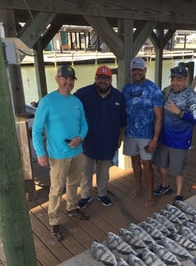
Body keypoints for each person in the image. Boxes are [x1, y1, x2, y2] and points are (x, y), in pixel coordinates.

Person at [32, 65, 89, 241]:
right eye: (65, 78)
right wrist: (40, 153)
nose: (68, 82)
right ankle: (54, 222)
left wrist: (80, 138)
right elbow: (36, 129)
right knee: (56, 189)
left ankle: (72, 208)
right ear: (57, 79)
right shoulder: (47, 101)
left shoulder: (76, 102)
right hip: (57, 155)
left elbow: (85, 125)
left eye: (71, 79)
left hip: (77, 151)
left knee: (74, 183)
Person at [75, 65, 126, 208]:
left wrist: (119, 139)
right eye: (100, 78)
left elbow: (123, 122)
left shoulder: (118, 97)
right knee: (86, 172)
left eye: (106, 78)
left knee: (104, 172)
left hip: (109, 143)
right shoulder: (83, 94)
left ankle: (102, 194)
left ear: (111, 80)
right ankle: (85, 195)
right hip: (87, 143)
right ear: (95, 78)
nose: (103, 81)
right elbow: (71, 109)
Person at [153, 64, 196, 201]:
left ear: (185, 79)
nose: (175, 82)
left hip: (180, 140)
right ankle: (165, 185)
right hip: (164, 138)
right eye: (173, 79)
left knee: (178, 170)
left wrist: (179, 113)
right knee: (161, 165)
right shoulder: (166, 92)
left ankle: (179, 194)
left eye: (178, 79)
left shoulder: (192, 96)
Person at [123, 57, 163, 207]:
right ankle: (138, 187)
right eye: (134, 69)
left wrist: (155, 138)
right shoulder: (126, 88)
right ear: (131, 72)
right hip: (130, 133)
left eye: (140, 69)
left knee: (147, 164)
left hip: (146, 135)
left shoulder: (154, 89)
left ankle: (150, 194)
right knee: (134, 161)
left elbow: (159, 118)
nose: (137, 72)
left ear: (145, 70)